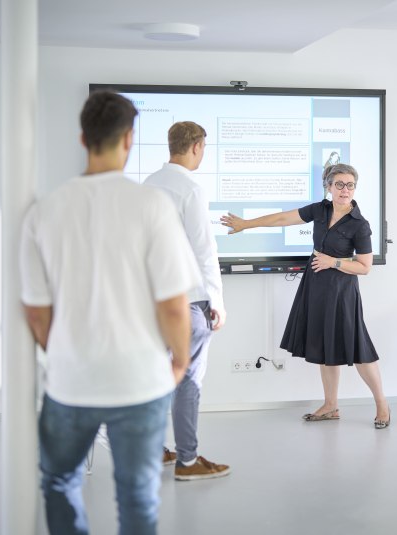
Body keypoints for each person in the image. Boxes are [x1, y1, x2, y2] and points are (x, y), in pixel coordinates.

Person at [20, 90, 201, 534]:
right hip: (139, 380)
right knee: (137, 495)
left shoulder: (43, 211)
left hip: (69, 380)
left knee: (60, 482)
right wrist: (178, 363)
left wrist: (65, 351)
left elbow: (37, 313)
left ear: (83, 138)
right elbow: (175, 307)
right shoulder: (151, 205)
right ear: (129, 139)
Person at [220, 163, 390, 428]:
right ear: (329, 186)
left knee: (359, 349)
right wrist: (245, 224)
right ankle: (331, 405)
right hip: (316, 286)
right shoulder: (320, 210)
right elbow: (282, 218)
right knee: (325, 346)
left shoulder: (360, 225)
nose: (345, 190)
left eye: (350, 185)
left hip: (342, 292)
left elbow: (364, 267)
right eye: (340, 184)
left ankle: (382, 405)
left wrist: (333, 262)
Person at [145, 121, 230, 480]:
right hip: (188, 301)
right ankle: (188, 462)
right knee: (188, 381)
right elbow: (204, 249)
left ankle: (154, 451)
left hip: (152, 301)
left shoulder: (149, 184)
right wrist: (217, 300)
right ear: (196, 147)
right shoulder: (191, 188)